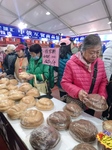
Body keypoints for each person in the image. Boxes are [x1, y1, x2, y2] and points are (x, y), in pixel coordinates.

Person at [61, 34, 108, 116]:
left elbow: (103, 81)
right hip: (76, 102)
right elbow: (65, 83)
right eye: (92, 52)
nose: (95, 56)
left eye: (98, 52)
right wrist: (78, 92)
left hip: (91, 104)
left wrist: (102, 95)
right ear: (83, 50)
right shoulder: (71, 63)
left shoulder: (100, 63)